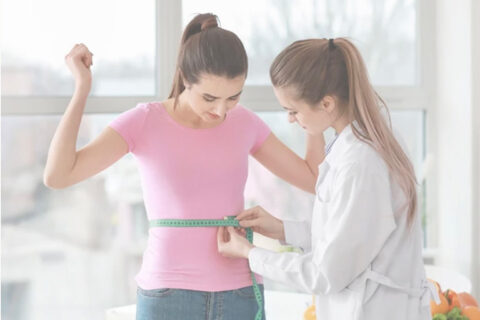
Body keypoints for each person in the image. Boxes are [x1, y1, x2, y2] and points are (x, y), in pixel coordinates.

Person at [43, 13, 324, 320]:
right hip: (167, 294)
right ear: (185, 78)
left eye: (233, 97)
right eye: (209, 97)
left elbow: (313, 179)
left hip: (240, 293)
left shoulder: (244, 122)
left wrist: (315, 115)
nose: (221, 110)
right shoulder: (145, 122)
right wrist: (82, 89)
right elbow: (59, 175)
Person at [217, 37, 439, 320]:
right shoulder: (366, 139)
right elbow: (350, 234)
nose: (290, 120)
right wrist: (283, 229)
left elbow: (325, 273)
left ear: (327, 103)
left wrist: (251, 254)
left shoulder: (360, 163)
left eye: (293, 110)